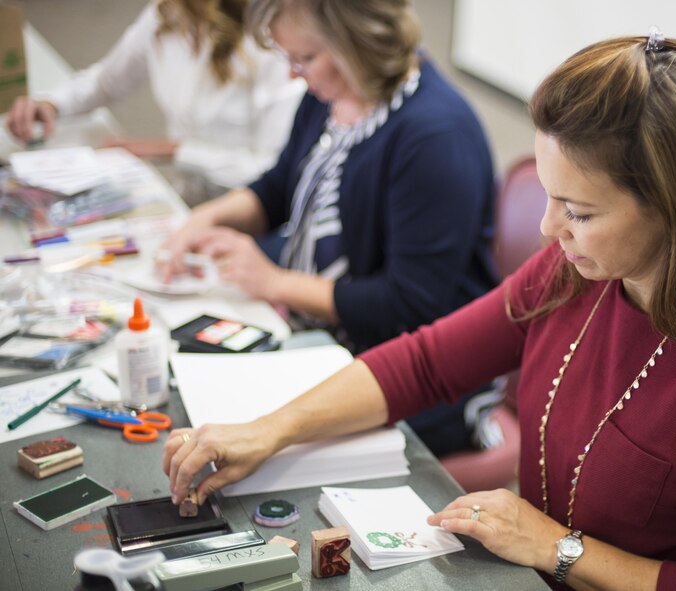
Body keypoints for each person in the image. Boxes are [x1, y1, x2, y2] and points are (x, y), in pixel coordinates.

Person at [163, 29, 676, 589]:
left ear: (674, 208)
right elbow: (424, 363)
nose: (546, 229)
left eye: (578, 210)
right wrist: (269, 429)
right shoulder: (577, 273)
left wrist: (557, 547)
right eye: (547, 195)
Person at [157, 0, 499, 456]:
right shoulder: (331, 99)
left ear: (356, 44)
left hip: (418, 369)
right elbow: (280, 188)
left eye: (304, 58)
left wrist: (275, 282)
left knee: (249, 440)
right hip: (329, 334)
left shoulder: (435, 138)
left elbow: (408, 303)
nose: (293, 74)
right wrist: (205, 218)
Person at [5, 0, 305, 203]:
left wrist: (173, 150)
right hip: (189, 199)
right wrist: (52, 104)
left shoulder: (269, 42)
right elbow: (105, 82)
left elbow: (273, 170)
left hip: (253, 212)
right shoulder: (167, 15)